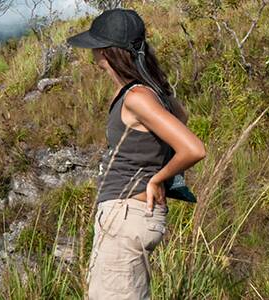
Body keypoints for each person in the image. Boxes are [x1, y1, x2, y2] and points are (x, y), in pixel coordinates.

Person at [66, 8, 207, 299]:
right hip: (130, 216)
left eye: (96, 47)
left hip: (126, 215)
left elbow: (193, 148)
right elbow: (180, 116)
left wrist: (157, 179)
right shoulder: (147, 92)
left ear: (106, 52)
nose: (93, 55)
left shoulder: (136, 97)